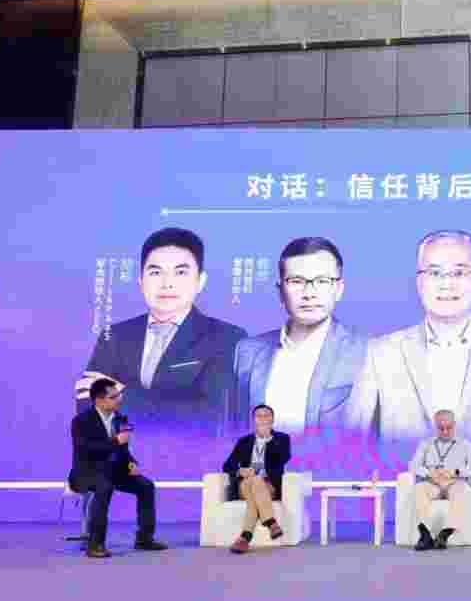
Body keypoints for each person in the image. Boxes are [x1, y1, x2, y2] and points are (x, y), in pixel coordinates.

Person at [345, 230, 471, 446]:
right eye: (435, 273)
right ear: (419, 283)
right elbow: (352, 446)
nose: (447, 284)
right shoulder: (381, 353)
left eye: (459, 272)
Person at [75, 227, 247, 432]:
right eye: (156, 272)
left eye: (180, 272)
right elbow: (88, 407)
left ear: (200, 281)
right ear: (141, 281)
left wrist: (121, 397)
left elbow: (210, 417)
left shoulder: (228, 338)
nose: (167, 284)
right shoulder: (114, 336)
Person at [231, 237, 368, 439]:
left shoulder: (367, 352)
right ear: (280, 292)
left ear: (339, 289)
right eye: (296, 281)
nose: (309, 293)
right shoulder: (247, 352)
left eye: (322, 281)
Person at [69, 378, 168, 558]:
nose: (119, 400)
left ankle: (144, 539)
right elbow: (86, 449)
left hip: (114, 471)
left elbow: (123, 449)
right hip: (87, 472)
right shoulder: (81, 421)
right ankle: (95, 544)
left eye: (119, 395)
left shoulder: (121, 419)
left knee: (146, 486)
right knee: (104, 488)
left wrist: (131, 462)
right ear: (99, 400)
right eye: (113, 397)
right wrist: (115, 441)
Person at [408, 410, 471, 551]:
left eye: (448, 428)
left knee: (465, 492)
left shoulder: (465, 445)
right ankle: (425, 535)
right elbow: (413, 466)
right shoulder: (426, 444)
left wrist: (457, 472)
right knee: (418, 489)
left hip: (455, 483)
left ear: (454, 425)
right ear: (435, 426)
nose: (445, 432)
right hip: (432, 483)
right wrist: (429, 473)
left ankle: (445, 534)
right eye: (441, 428)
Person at [222, 404, 291, 553]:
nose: (263, 418)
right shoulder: (244, 441)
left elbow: (283, 459)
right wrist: (240, 471)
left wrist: (268, 439)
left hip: (269, 485)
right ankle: (271, 523)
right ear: (254, 420)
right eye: (259, 416)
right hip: (245, 484)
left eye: (266, 415)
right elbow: (227, 465)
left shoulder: (282, 439)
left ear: (272, 419)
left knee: (256, 486)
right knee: (254, 481)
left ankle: (244, 538)